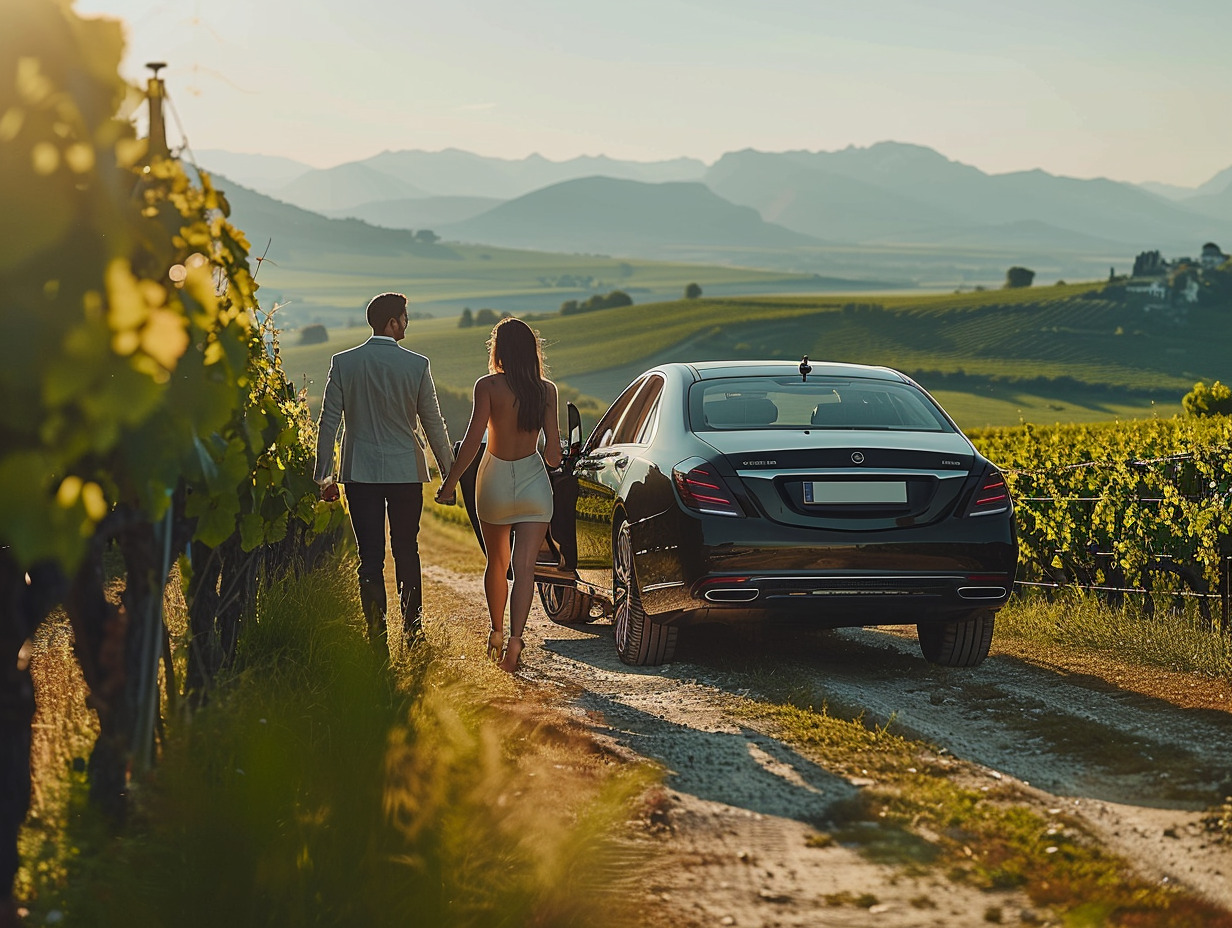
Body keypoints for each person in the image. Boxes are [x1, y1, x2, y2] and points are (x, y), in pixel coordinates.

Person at [314, 292, 454, 650]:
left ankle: (376, 636)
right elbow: (434, 424)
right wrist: (449, 476)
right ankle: (412, 633)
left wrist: (324, 477)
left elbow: (328, 422)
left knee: (370, 557)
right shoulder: (417, 365)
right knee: (407, 549)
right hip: (406, 470)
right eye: (405, 318)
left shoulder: (343, 362)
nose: (407, 324)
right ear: (392, 322)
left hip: (360, 473)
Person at [435, 318, 560, 672]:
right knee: (525, 569)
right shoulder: (546, 390)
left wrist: (449, 484)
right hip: (535, 483)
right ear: (532, 352)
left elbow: (474, 440)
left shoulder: (487, 386)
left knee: (497, 562)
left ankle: (495, 634)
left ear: (499, 350)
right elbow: (552, 455)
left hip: (494, 483)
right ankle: (517, 643)